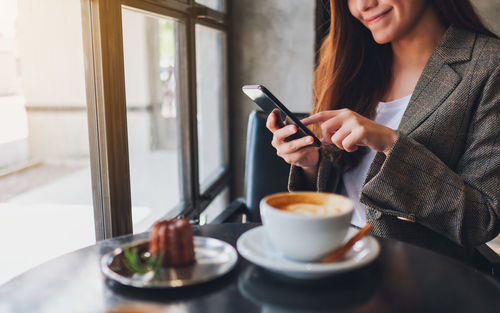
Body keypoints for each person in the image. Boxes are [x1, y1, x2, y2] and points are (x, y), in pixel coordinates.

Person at [266, 0, 500, 260]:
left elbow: (483, 219)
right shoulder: (348, 63)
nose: (363, 5)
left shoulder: (489, 66)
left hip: (414, 278)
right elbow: (342, 190)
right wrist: (311, 164)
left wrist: (390, 143)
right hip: (330, 261)